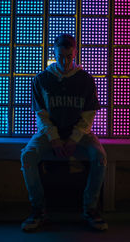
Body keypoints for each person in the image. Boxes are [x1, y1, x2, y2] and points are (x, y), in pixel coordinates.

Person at [20, 34, 108, 232]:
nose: (65, 61)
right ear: (54, 53)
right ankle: (38, 210)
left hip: (80, 131)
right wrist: (54, 138)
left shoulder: (85, 80)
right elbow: (41, 115)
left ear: (75, 53)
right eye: (61, 56)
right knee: (27, 155)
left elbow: (88, 115)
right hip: (50, 131)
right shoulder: (42, 79)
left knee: (100, 156)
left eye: (69, 56)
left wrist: (74, 138)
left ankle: (90, 209)